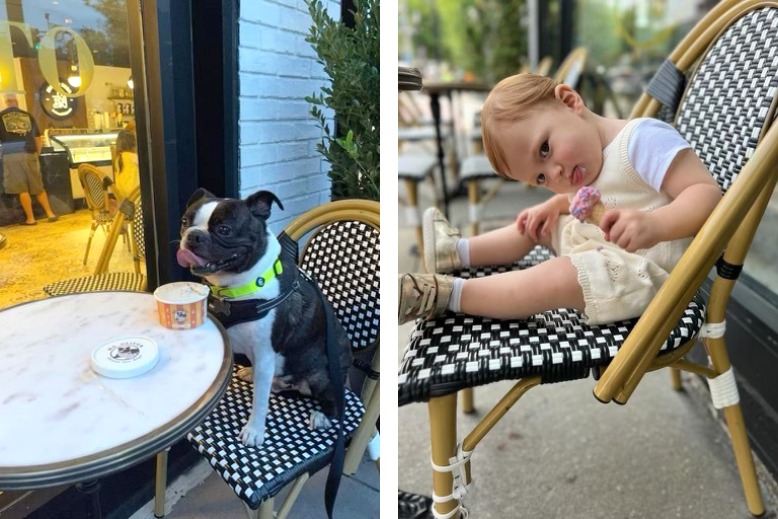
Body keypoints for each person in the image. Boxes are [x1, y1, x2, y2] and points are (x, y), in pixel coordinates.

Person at [399, 73, 722, 326]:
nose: (556, 176)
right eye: (540, 178)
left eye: (544, 149)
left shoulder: (642, 140)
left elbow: (706, 193)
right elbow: (603, 199)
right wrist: (555, 205)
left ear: (569, 101)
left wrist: (656, 222)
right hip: (599, 248)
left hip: (643, 271)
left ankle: (448, 296)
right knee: (534, 223)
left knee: (557, 275)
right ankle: (456, 252)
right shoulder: (583, 163)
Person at [0, 94, 58, 225]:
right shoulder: (28, 115)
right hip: (29, 152)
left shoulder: (1, 116)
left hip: (11, 154)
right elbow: (38, 137)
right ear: (17, 101)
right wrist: (36, 152)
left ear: (6, 102)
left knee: (22, 188)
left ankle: (31, 219)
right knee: (37, 185)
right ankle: (50, 213)